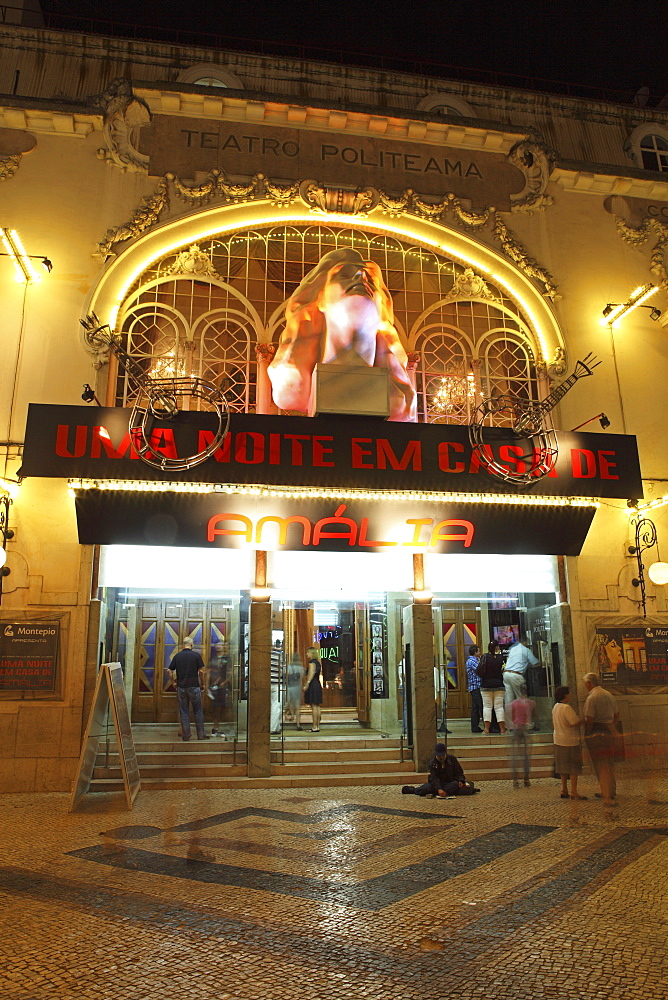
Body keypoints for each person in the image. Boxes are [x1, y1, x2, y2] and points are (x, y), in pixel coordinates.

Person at [267, 247, 416, 421]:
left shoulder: (398, 397)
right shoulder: (295, 385)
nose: (361, 278)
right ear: (320, 300)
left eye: (369, 278)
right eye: (343, 274)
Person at [583, 672, 619, 806]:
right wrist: (611, 727)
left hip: (597, 731)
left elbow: (590, 718)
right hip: (609, 731)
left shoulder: (592, 697)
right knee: (609, 761)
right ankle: (612, 789)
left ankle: (606, 792)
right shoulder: (609, 695)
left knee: (599, 763)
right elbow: (616, 715)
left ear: (588, 683)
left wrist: (588, 734)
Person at [169, 637, 210, 742]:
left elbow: (169, 670)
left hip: (181, 687)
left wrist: (173, 682)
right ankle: (201, 735)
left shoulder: (177, 656)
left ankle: (186, 735)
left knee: (184, 711)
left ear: (184, 644)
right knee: (198, 711)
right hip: (194, 687)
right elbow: (201, 672)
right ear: (191, 644)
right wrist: (203, 684)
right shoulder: (196, 655)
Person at [403, 743, 477, 798]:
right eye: (439, 755)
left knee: (456, 785)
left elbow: (459, 772)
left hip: (450, 782)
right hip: (438, 784)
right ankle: (414, 790)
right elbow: (434, 778)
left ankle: (443, 792)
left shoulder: (452, 759)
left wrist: (461, 780)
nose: (441, 757)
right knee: (426, 788)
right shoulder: (432, 763)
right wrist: (439, 789)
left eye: (442, 755)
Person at [552, 685, 586, 800]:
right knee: (573, 767)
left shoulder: (555, 707)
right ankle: (574, 791)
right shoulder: (566, 708)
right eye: (569, 693)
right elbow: (573, 722)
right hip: (570, 740)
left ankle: (564, 789)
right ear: (565, 695)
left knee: (563, 767)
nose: (570, 695)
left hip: (558, 740)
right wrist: (582, 720)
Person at [476, 640, 507, 735]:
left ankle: (486, 729)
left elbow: (479, 670)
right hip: (499, 685)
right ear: (497, 647)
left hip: (486, 685)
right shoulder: (501, 658)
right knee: (499, 708)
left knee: (487, 707)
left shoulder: (485, 657)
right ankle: (502, 730)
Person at [508, 692, 536, 787]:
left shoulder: (514, 703)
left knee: (515, 755)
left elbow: (512, 716)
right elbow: (533, 715)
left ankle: (515, 779)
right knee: (526, 755)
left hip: (516, 729)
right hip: (526, 729)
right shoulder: (531, 703)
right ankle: (526, 778)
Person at [503, 635, 539, 703]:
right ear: (525, 642)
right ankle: (522, 713)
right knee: (522, 699)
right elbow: (535, 663)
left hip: (506, 674)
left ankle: (509, 713)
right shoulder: (526, 650)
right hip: (516, 676)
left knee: (509, 700)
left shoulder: (512, 648)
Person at [207, 641, 230, 738]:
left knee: (221, 707)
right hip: (213, 687)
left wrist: (225, 682)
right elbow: (208, 670)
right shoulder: (213, 658)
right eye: (217, 644)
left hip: (223, 686)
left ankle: (219, 727)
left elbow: (230, 672)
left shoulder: (227, 658)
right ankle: (215, 727)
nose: (219, 646)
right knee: (215, 707)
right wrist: (207, 684)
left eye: (221, 645)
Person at [303, 646, 323, 732]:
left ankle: (314, 726)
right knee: (317, 705)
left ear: (312, 653)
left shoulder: (312, 663)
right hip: (317, 684)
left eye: (308, 652)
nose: (307, 654)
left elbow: (311, 673)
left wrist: (307, 684)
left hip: (313, 684)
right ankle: (317, 726)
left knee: (314, 706)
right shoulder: (318, 662)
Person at [465, 644, 483, 733]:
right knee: (481, 706)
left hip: (474, 686)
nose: (480, 653)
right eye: (479, 651)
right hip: (476, 686)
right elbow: (481, 670)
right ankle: (487, 726)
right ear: (475, 652)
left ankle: (475, 727)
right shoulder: (472, 661)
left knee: (475, 708)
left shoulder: (473, 660)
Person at [285, 653, 303, 729]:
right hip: (298, 687)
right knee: (297, 706)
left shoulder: (289, 667)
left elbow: (286, 676)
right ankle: (298, 724)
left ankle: (292, 716)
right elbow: (301, 678)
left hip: (290, 687)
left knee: (291, 703)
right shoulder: (301, 668)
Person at [270, 639, 283, 735]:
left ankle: (277, 726)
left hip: (266, 684)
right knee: (276, 706)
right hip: (276, 683)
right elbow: (282, 669)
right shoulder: (278, 655)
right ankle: (273, 728)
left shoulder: (262, 655)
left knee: (270, 706)